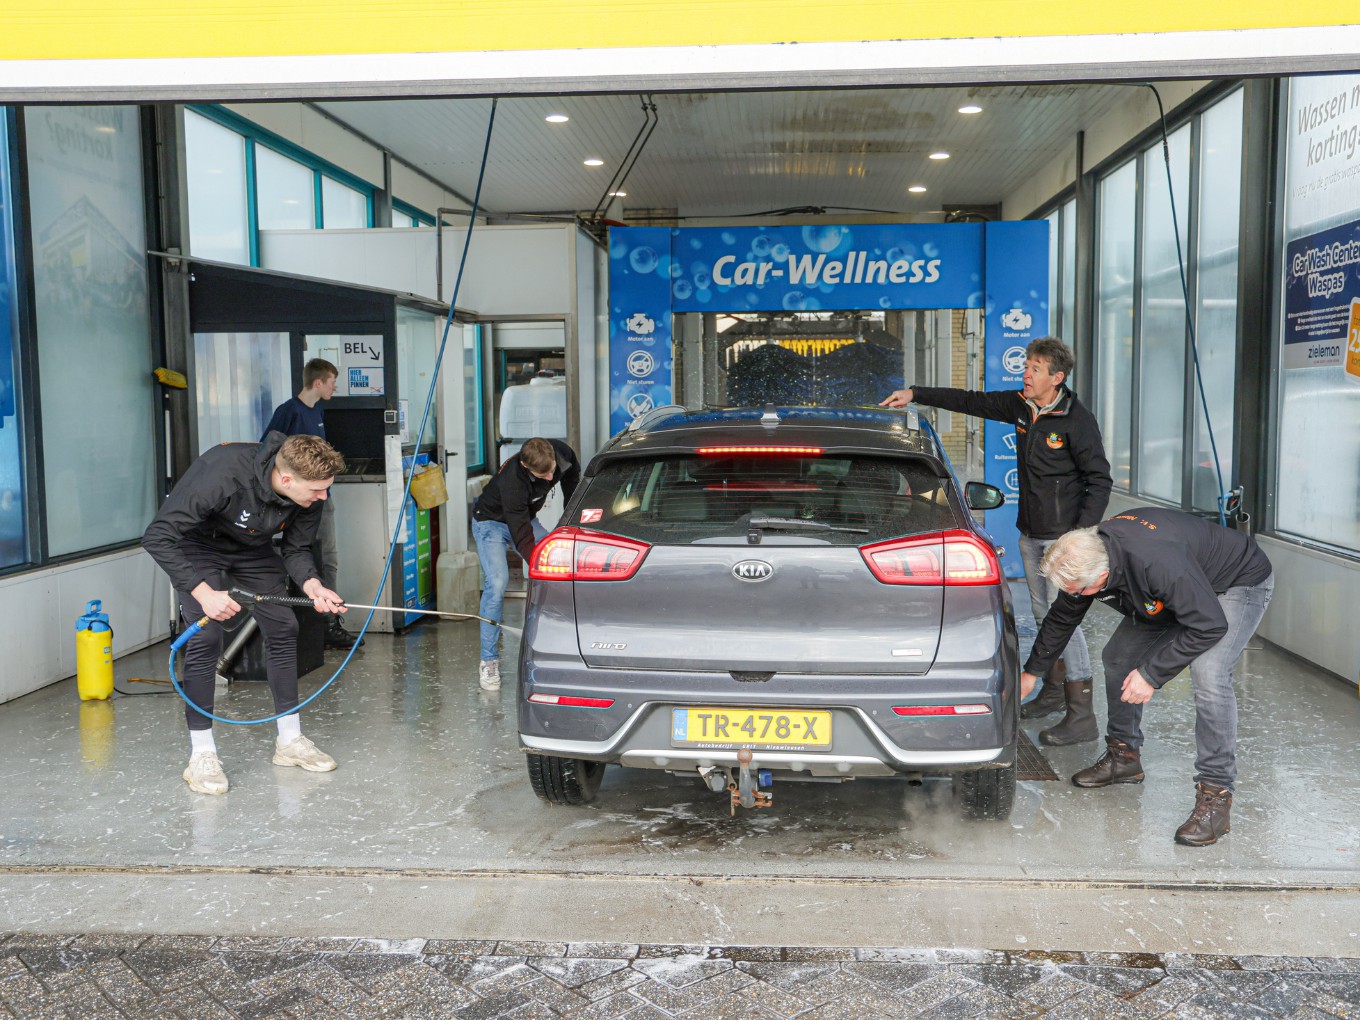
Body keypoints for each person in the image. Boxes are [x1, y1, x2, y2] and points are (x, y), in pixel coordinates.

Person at [880, 336, 1112, 745]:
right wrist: (916, 394)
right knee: (1044, 616)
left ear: (1056, 378)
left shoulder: (1077, 421)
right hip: (1031, 534)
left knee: (1065, 622)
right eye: (1026, 365)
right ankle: (1055, 691)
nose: (1026, 373)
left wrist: (1081, 535)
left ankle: (1082, 714)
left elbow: (1099, 479)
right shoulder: (1022, 408)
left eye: (1035, 369)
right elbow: (972, 401)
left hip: (1066, 541)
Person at [1020, 508, 1273, 846]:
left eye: (1080, 590)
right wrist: (1031, 672)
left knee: (1209, 675)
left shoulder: (1156, 564)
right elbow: (1061, 619)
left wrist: (1151, 674)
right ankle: (1123, 757)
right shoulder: (1087, 555)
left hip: (1235, 581)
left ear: (1103, 575)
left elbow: (1209, 624)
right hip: (1178, 587)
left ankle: (1216, 797)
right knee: (1118, 657)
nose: (1076, 596)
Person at [143, 433, 349, 795]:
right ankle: (201, 755)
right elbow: (158, 535)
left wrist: (313, 585)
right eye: (317, 490)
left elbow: (297, 548)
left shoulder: (310, 493)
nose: (323, 497)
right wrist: (203, 593)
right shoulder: (221, 473)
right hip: (197, 545)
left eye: (326, 489)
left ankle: (289, 741)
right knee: (206, 637)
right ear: (287, 480)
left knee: (284, 626)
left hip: (251, 548)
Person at [262, 357, 358, 650]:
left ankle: (329, 620)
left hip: (318, 498)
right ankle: (318, 623)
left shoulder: (317, 411)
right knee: (306, 554)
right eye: (332, 381)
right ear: (319, 382)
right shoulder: (288, 412)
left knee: (329, 557)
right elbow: (266, 450)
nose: (335, 386)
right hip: (296, 500)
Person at [472, 436, 579, 691]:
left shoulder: (563, 456)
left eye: (552, 470)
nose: (549, 477)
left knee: (560, 564)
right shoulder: (513, 482)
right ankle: (488, 660)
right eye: (543, 475)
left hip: (523, 518)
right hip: (492, 523)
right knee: (498, 584)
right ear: (525, 466)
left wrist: (568, 527)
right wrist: (539, 564)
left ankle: (564, 646)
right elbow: (521, 534)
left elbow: (573, 491)